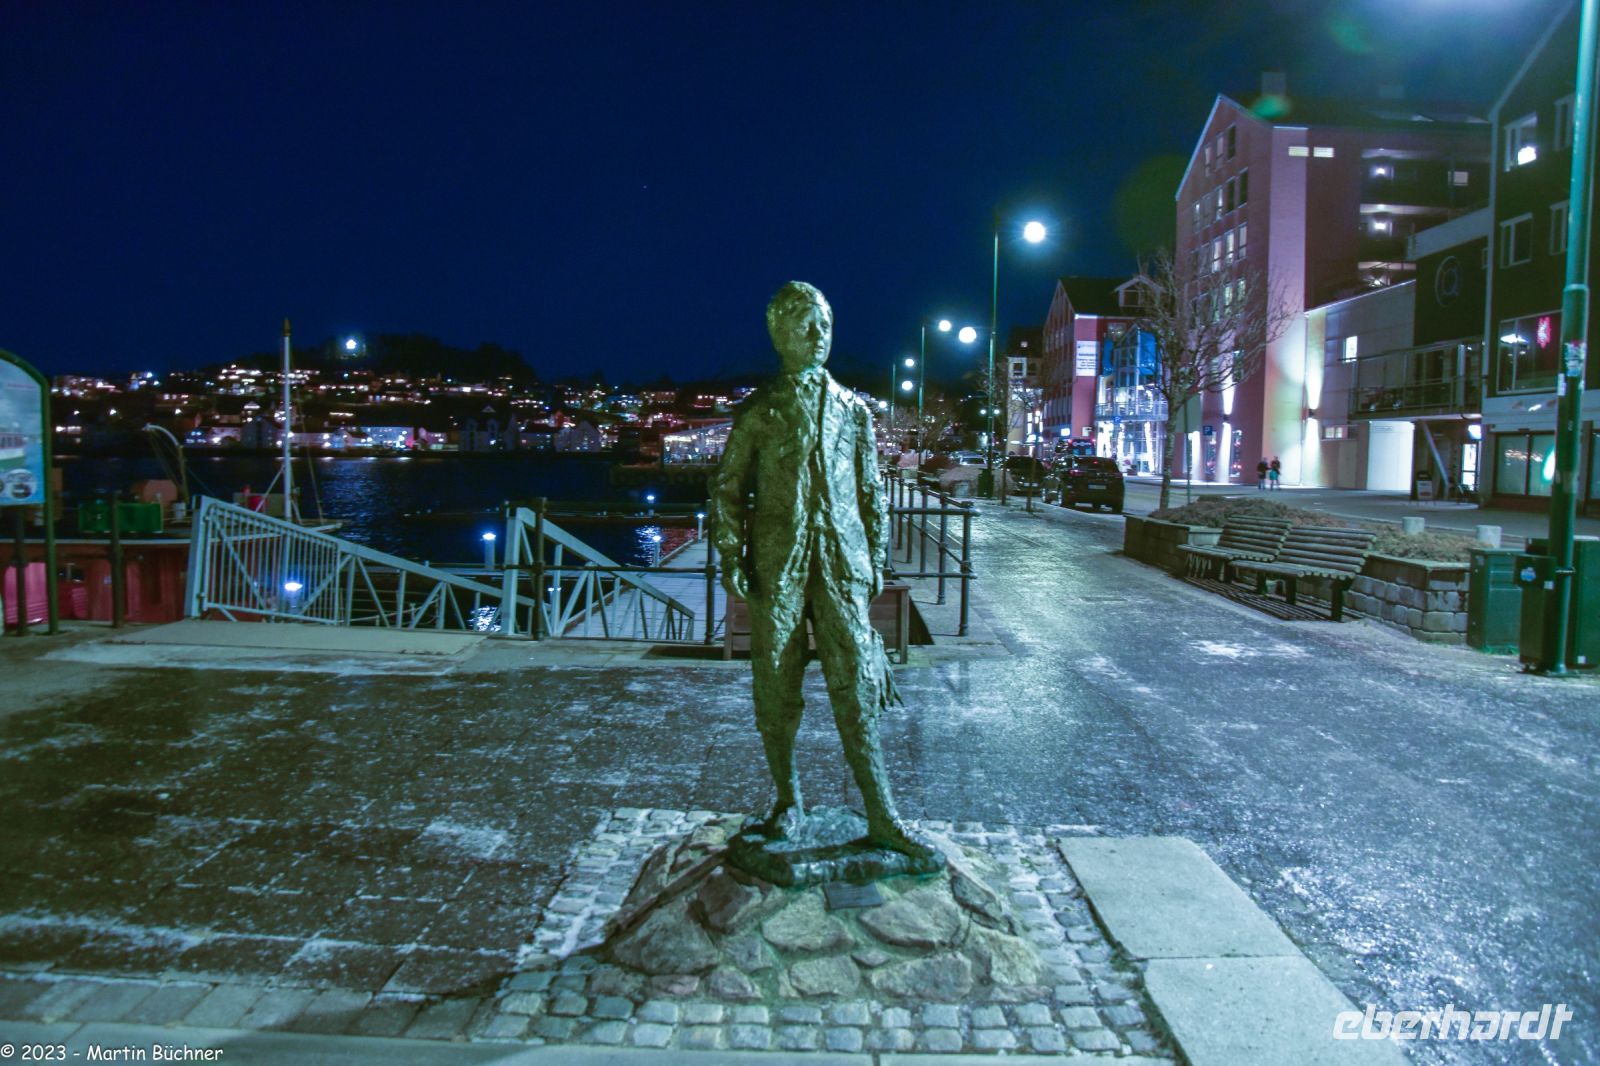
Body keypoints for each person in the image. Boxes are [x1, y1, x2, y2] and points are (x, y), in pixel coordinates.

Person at [710, 281, 930, 861]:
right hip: (778, 566)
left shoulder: (853, 410)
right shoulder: (760, 411)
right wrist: (731, 554)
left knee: (857, 682)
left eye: (825, 324)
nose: (818, 334)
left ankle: (882, 814)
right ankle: (788, 802)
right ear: (779, 333)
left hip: (840, 565)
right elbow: (729, 488)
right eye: (806, 324)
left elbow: (868, 490)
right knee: (775, 686)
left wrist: (876, 556)